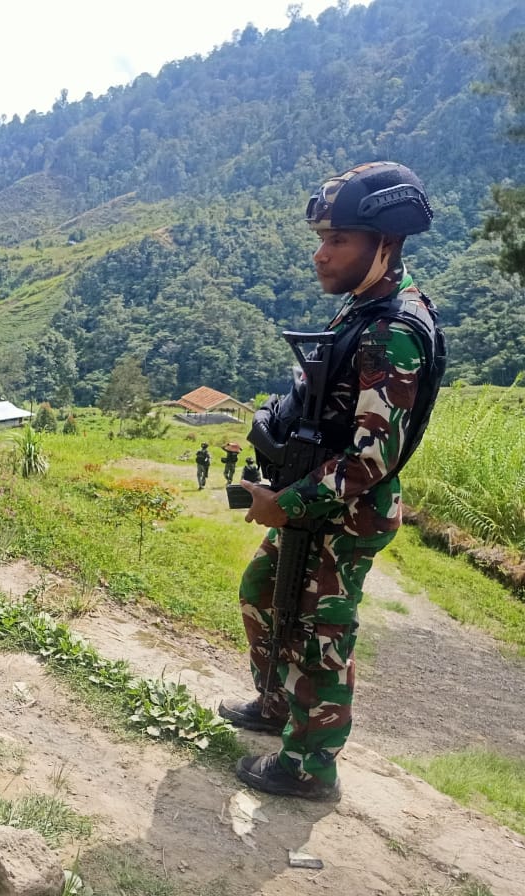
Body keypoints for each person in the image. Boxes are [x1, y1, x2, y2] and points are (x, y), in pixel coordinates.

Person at [219, 162, 445, 802]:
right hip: (317, 505)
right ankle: (275, 705)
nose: (322, 254)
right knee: (265, 592)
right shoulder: (364, 311)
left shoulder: (392, 334)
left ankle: (310, 766)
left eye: (338, 240)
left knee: (321, 636)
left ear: (386, 245)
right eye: (321, 239)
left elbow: (370, 461)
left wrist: (284, 506)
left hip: (347, 513)